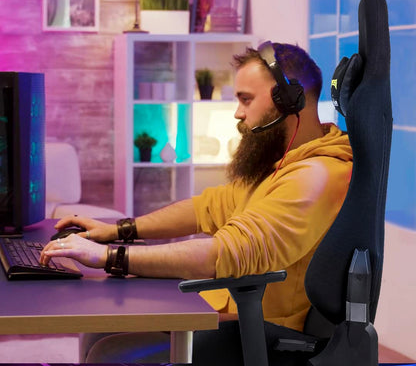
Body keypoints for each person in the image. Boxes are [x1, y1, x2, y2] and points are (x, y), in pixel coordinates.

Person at [40, 42, 353, 365]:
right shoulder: (283, 162)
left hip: (264, 332)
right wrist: (119, 230)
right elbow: (208, 206)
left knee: (110, 353)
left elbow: (226, 253)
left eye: (246, 99)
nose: (238, 112)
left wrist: (110, 257)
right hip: (227, 307)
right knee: (101, 327)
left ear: (290, 100)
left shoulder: (317, 176)